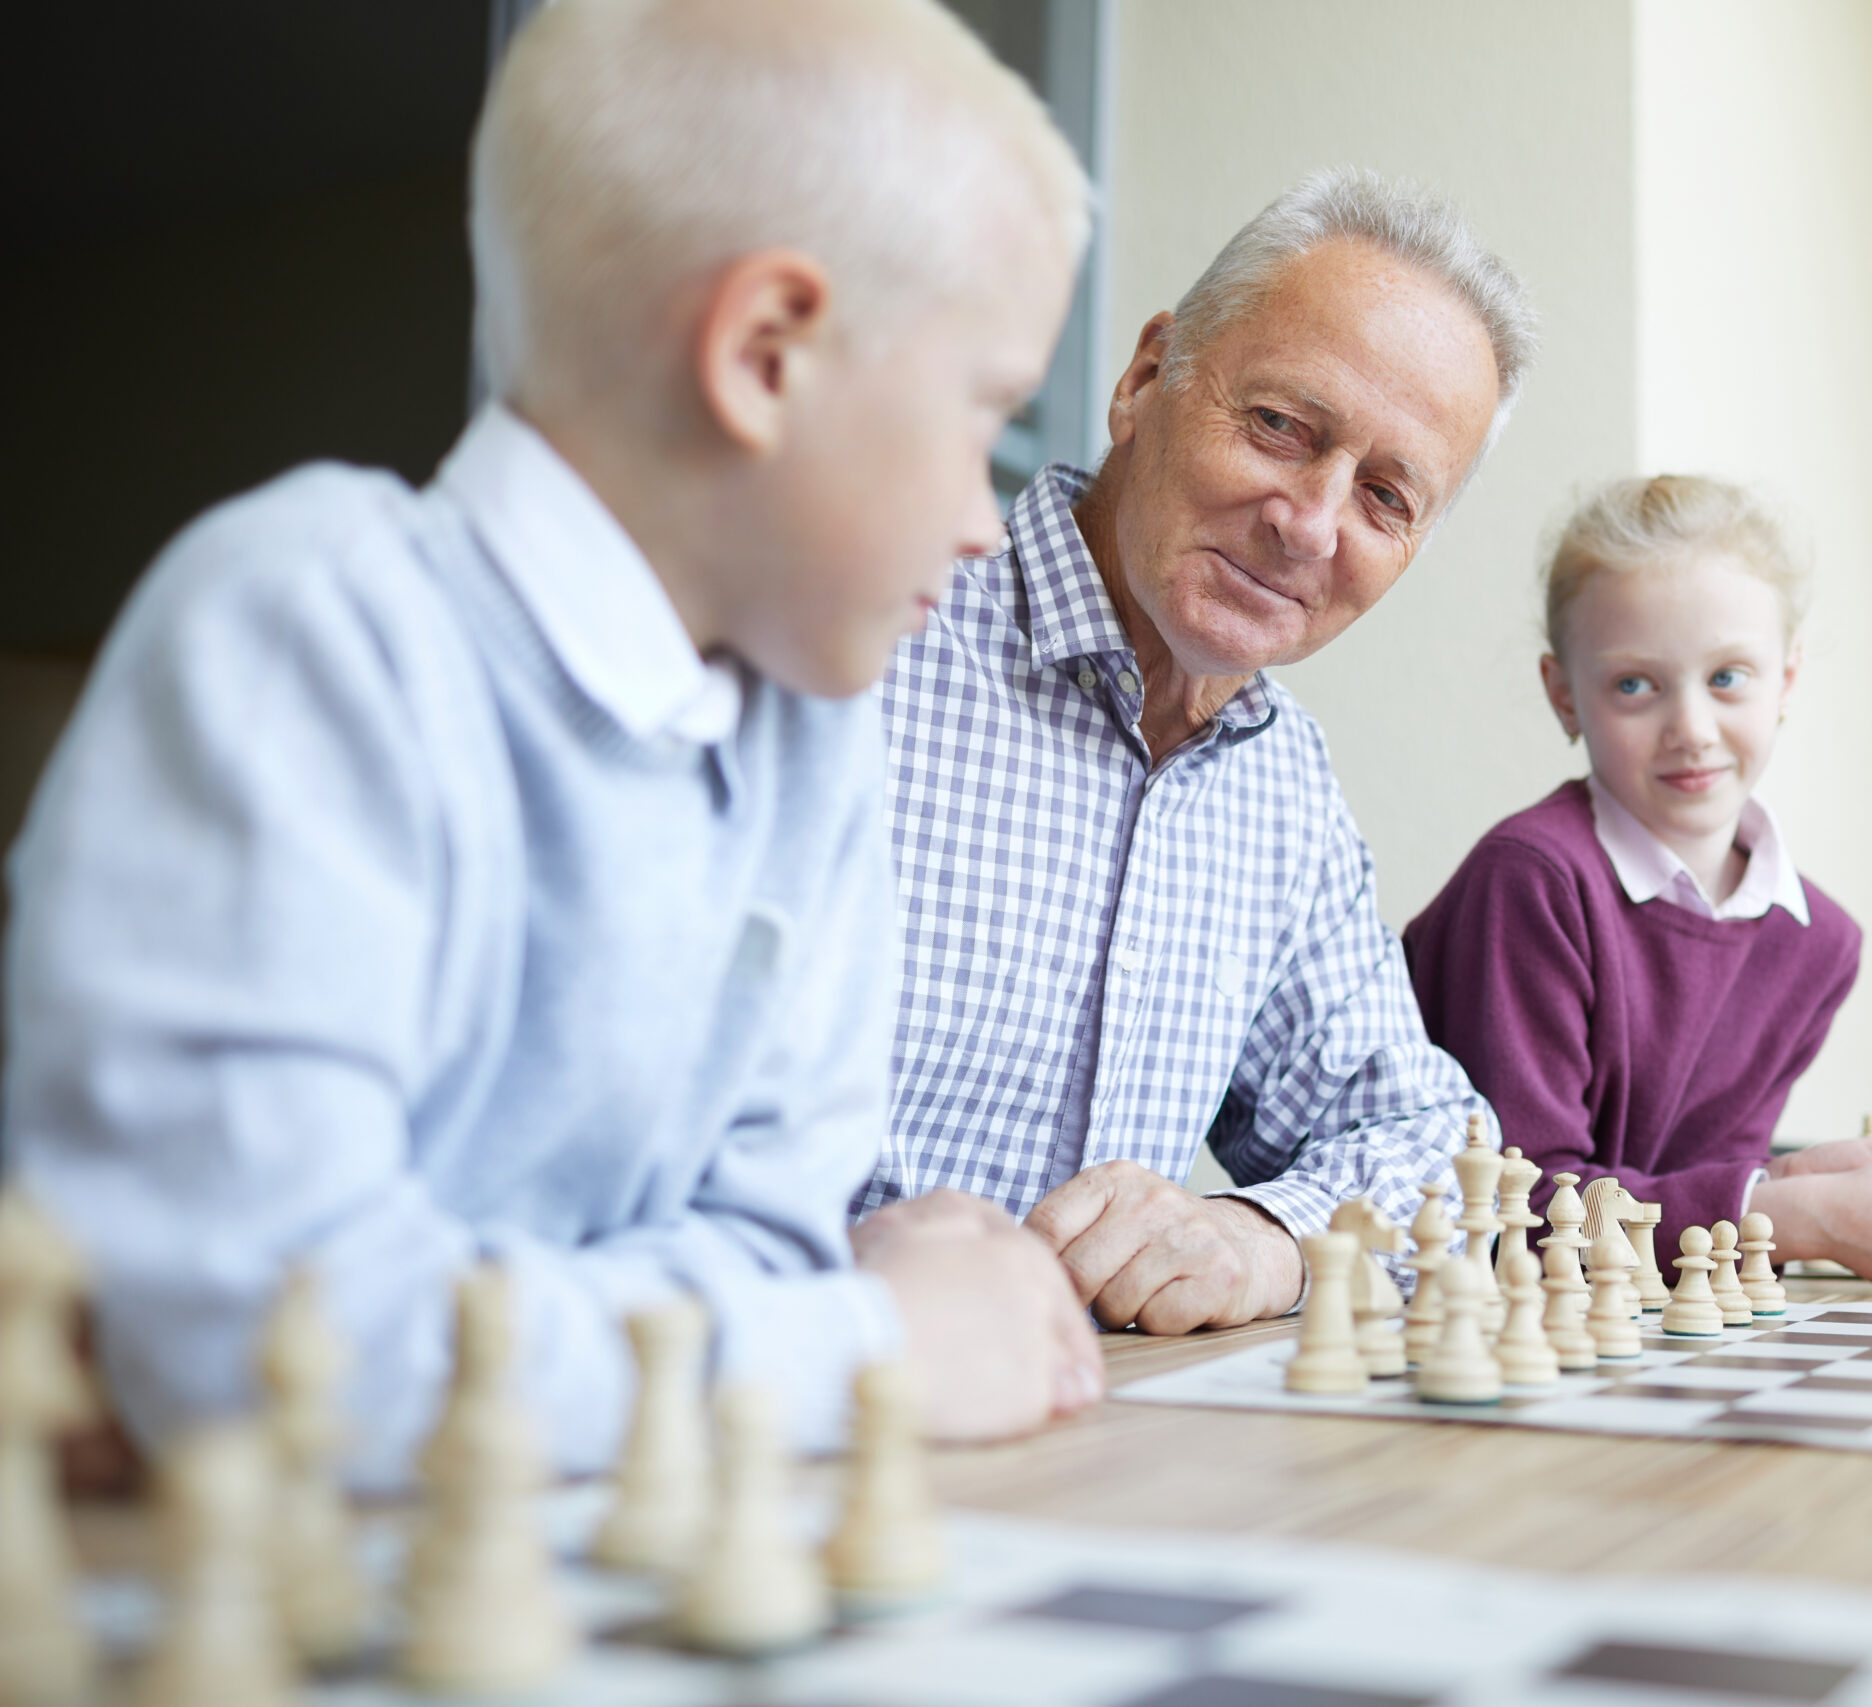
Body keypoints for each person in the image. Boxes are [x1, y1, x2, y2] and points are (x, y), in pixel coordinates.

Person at [1, 0, 1103, 1490]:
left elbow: (766, 1238)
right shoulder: (305, 629)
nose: (989, 521)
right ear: (766, 354)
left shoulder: (814, 737)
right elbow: (266, 1343)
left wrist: (677, 1328)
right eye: (988, 418)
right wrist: (870, 1347)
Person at [860, 170, 1537, 1332]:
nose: (1309, 525)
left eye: (1384, 497)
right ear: (1144, 378)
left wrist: (1263, 1238)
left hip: (1090, 1455)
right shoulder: (858, 635)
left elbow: (1441, 1154)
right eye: (1280, 426)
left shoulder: (1284, 783)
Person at [1401, 476, 1872, 1297]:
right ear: (1564, 694)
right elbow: (1520, 1218)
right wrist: (1805, 1213)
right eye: (1635, 684)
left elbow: (1678, 1196)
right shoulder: (1531, 882)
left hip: (1630, 1339)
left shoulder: (1816, 943)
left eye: (1729, 677)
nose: (1692, 729)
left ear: (1788, 675)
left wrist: (1793, 1176)